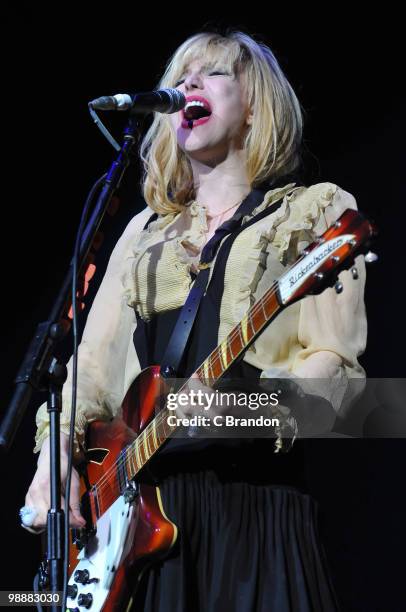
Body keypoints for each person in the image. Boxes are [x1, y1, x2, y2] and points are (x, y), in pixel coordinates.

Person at [22, 30, 367, 611]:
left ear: (256, 104)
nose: (187, 86)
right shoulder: (145, 234)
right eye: (181, 76)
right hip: (140, 530)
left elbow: (340, 381)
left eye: (214, 74)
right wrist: (53, 457)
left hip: (251, 512)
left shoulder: (312, 213)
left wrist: (240, 408)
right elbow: (91, 376)